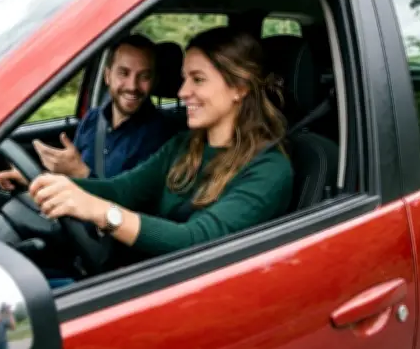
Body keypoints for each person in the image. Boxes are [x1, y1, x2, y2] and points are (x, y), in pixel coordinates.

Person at [28, 27, 294, 271]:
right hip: (147, 274)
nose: (182, 91)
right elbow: (123, 190)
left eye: (197, 80)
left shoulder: (269, 170)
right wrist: (49, 183)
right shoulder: (184, 145)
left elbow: (195, 240)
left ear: (239, 88)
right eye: (183, 78)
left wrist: (100, 211)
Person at [0, 33, 175, 188]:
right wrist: (32, 179)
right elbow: (73, 184)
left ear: (155, 81)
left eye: (144, 76)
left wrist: (81, 173)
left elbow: (133, 212)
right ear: (107, 76)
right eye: (123, 73)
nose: (132, 86)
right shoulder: (93, 119)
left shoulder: (162, 136)